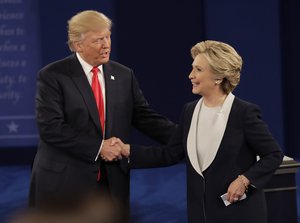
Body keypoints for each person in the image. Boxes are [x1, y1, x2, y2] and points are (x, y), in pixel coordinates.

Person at [29, 10, 176, 214]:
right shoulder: (53, 76)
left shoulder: (123, 75)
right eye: (98, 40)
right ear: (78, 45)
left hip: (111, 181)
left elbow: (144, 117)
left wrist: (185, 136)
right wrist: (99, 147)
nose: (106, 44)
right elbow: (51, 128)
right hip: (65, 181)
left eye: (108, 37)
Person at [121, 40, 283, 223]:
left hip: (239, 214)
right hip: (201, 216)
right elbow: (171, 153)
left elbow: (273, 154)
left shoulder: (244, 112)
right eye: (192, 68)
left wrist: (245, 180)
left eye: (198, 69)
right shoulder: (189, 111)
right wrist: (127, 151)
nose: (190, 75)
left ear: (218, 77)